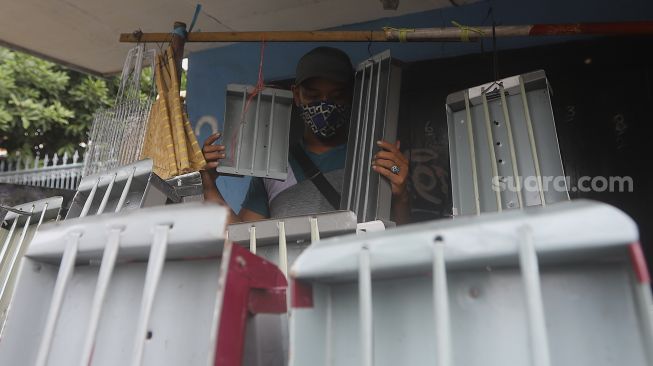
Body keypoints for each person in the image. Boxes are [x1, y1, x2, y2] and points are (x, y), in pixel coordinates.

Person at [200, 47, 409, 224]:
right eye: (313, 95)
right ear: (297, 95)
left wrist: (400, 191)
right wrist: (209, 183)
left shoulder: (373, 159)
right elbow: (245, 242)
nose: (325, 105)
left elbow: (400, 236)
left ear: (351, 95)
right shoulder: (274, 168)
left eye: (337, 96)